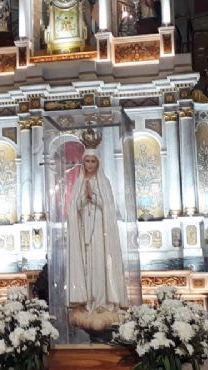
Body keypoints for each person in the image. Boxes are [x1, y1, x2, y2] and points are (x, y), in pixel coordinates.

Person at [67, 141, 128, 332]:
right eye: (87, 161)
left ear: (98, 163)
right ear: (83, 163)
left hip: (101, 237)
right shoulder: (78, 183)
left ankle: (104, 302)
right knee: (88, 269)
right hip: (85, 233)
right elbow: (73, 208)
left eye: (93, 161)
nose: (90, 165)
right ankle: (89, 302)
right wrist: (83, 199)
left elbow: (110, 209)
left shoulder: (104, 182)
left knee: (101, 268)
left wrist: (95, 198)